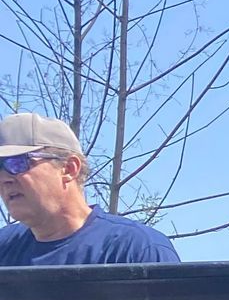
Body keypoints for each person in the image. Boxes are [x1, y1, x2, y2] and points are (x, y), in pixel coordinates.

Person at [0, 112, 179, 266]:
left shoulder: (136, 250)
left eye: (16, 163)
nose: (4, 178)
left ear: (69, 168)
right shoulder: (4, 250)